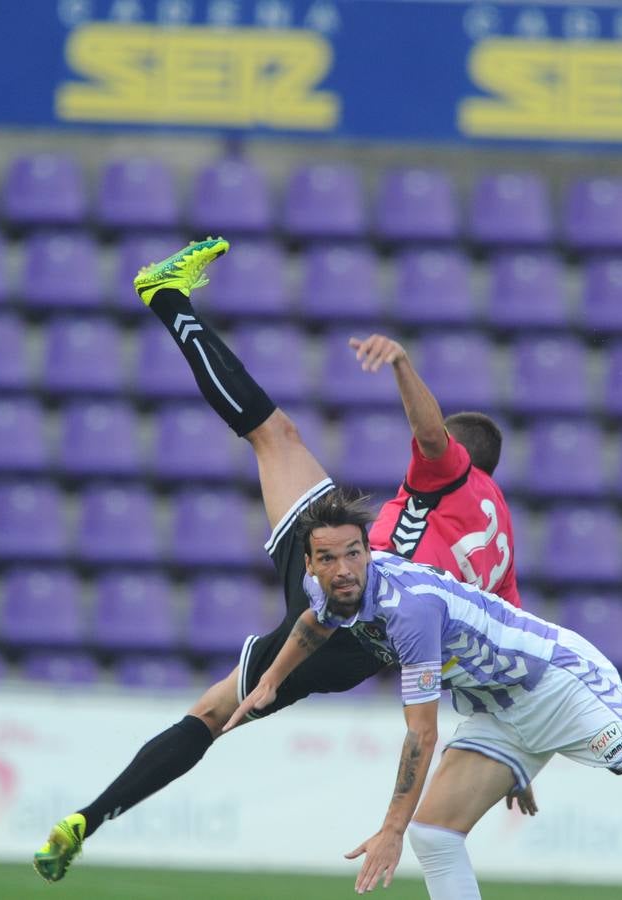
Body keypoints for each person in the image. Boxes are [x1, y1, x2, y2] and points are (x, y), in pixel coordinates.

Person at [34, 238, 527, 882]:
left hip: (345, 576)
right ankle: (86, 820)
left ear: (463, 462)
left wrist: (403, 364)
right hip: (356, 652)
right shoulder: (501, 539)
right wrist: (514, 754)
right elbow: (506, 648)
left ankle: (164, 297)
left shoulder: (448, 473)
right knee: (212, 717)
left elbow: (431, 435)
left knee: (271, 435)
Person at [229, 490, 622, 897]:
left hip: (557, 683)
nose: (342, 569)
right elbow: (314, 625)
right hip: (501, 708)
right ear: (310, 563)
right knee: (436, 834)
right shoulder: (329, 589)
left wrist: (387, 827)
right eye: (328, 559)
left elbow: (421, 732)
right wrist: (272, 681)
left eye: (354, 554)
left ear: (369, 550)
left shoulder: (406, 612)